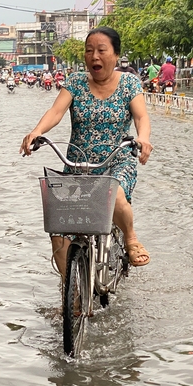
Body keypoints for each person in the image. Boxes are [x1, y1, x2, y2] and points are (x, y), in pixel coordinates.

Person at [20, 26, 153, 275]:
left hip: (117, 161)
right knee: (58, 231)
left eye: (101, 50)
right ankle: (71, 294)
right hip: (78, 165)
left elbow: (141, 117)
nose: (94, 57)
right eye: (89, 51)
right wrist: (37, 131)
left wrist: (143, 139)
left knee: (114, 195)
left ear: (116, 55)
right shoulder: (75, 82)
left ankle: (131, 237)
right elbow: (56, 112)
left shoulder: (129, 83)